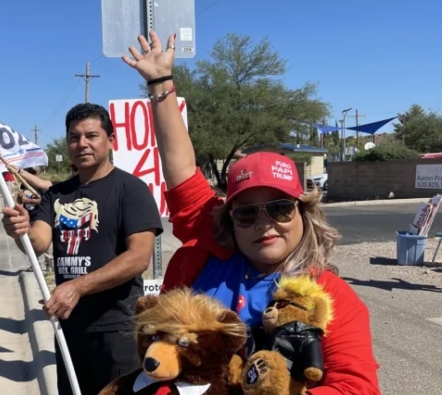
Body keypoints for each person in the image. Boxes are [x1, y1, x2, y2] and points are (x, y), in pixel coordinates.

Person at [120, 31, 381, 394]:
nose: (264, 223)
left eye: (279, 208)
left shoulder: (330, 297)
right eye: (246, 213)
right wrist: (161, 82)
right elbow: (181, 172)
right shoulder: (211, 250)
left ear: (303, 214)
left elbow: (356, 388)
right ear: (230, 220)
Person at [0, 103, 163, 395]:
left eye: (91, 135)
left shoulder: (131, 189)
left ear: (110, 141)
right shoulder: (57, 194)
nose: (82, 144)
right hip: (69, 328)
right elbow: (38, 243)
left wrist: (78, 287)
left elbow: (138, 257)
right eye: (74, 137)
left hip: (116, 330)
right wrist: (19, 230)